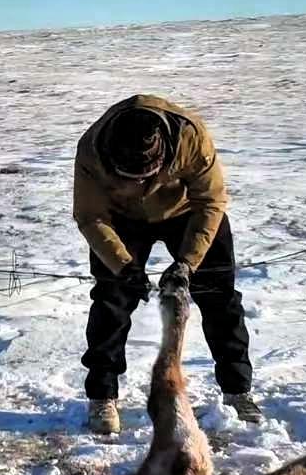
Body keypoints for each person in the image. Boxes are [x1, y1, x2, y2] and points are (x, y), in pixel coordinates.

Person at [73, 93, 258, 436]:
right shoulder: (91, 151)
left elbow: (211, 201)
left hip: (187, 212)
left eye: (145, 175)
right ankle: (102, 396)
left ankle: (237, 391)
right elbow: (91, 216)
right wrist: (123, 267)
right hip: (121, 219)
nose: (140, 186)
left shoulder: (191, 136)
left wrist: (188, 262)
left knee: (219, 298)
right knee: (111, 301)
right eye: (129, 176)